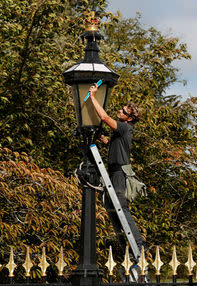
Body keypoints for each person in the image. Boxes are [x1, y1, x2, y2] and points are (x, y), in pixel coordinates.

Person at [88, 84, 145, 260]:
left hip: (120, 173)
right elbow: (116, 148)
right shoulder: (121, 131)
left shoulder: (124, 127)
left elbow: (104, 116)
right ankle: (129, 243)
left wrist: (92, 97)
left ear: (129, 118)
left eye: (123, 111)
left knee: (122, 208)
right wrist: (105, 141)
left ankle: (139, 245)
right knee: (115, 209)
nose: (119, 112)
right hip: (115, 172)